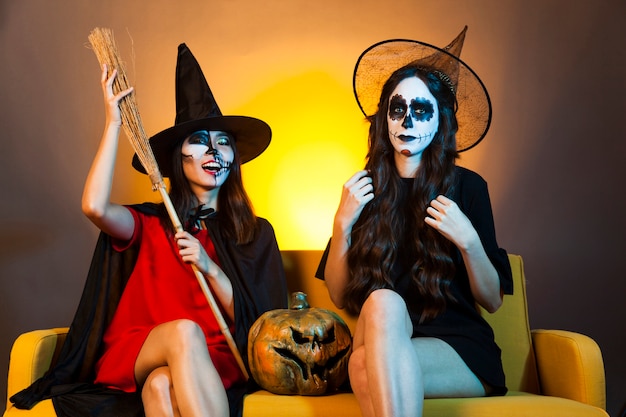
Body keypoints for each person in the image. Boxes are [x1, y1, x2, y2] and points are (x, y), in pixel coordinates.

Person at [10, 44, 287, 417]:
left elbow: (261, 322)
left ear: (235, 158)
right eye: (200, 141)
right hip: (142, 348)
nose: (214, 152)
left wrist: (209, 265)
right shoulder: (150, 222)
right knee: (183, 332)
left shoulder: (254, 233)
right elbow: (93, 206)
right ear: (177, 158)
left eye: (223, 142)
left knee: (160, 386)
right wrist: (113, 124)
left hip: (215, 356)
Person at [315, 27, 513, 417]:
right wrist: (343, 224)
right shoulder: (364, 190)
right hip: (382, 339)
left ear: (441, 121)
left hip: (456, 350)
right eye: (397, 108)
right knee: (383, 303)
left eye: (421, 109)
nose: (407, 119)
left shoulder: (467, 187)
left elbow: (491, 300)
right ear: (384, 119)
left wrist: (468, 240)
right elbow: (338, 297)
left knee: (361, 365)